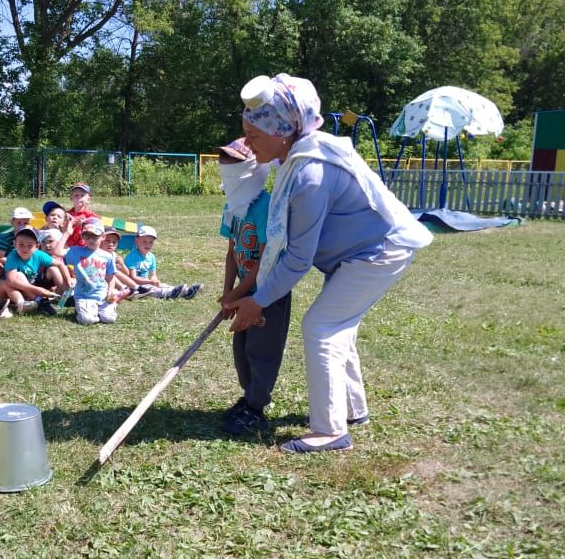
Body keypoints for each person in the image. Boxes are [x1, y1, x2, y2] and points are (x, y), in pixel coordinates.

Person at [226, 73, 433, 453]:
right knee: (340, 327)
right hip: (358, 254)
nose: (248, 142)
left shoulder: (310, 173)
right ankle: (354, 410)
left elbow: (298, 258)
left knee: (321, 325)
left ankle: (330, 430)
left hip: (379, 252)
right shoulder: (294, 156)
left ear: (282, 131)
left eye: (254, 134)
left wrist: (257, 301)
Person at [215, 137, 292, 436]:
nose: (226, 172)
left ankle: (256, 408)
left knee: (262, 348)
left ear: (253, 168)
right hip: (243, 291)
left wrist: (237, 294)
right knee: (242, 347)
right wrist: (227, 291)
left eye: (233, 165)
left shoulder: (267, 206)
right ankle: (248, 398)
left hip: (269, 292)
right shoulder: (233, 207)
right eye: (224, 165)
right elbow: (232, 252)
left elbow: (264, 261)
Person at [63, 219, 117, 325]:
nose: (91, 240)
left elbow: (111, 277)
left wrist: (110, 292)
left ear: (103, 237)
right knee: (88, 320)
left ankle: (96, 309)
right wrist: (67, 233)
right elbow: (56, 251)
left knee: (109, 319)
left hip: (102, 294)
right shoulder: (76, 251)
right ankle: (84, 309)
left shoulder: (107, 256)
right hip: (84, 295)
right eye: (87, 236)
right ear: (82, 236)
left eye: (95, 236)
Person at [124, 226, 202, 299]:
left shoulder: (151, 257)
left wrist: (154, 281)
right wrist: (150, 282)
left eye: (151, 242)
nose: (148, 244)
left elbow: (153, 274)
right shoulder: (131, 257)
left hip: (146, 281)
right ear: (137, 241)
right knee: (152, 290)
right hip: (134, 285)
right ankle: (171, 293)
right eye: (144, 241)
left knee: (163, 285)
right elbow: (133, 278)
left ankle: (187, 291)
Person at [0, 226, 64, 315]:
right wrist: (38, 290)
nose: (25, 249)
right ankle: (36, 302)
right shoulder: (13, 256)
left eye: (29, 245)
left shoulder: (38, 254)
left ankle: (63, 295)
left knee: (53, 269)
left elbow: (60, 263)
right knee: (19, 276)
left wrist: (67, 283)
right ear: (14, 244)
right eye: (21, 244)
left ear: (37, 246)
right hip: (12, 290)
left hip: (30, 288)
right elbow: (11, 281)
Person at [64, 182, 99, 247]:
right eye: (76, 195)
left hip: (85, 249)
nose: (79, 197)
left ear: (88, 200)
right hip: (68, 248)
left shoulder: (92, 216)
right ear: (71, 198)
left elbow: (97, 233)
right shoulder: (67, 214)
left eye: (82, 195)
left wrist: (84, 226)